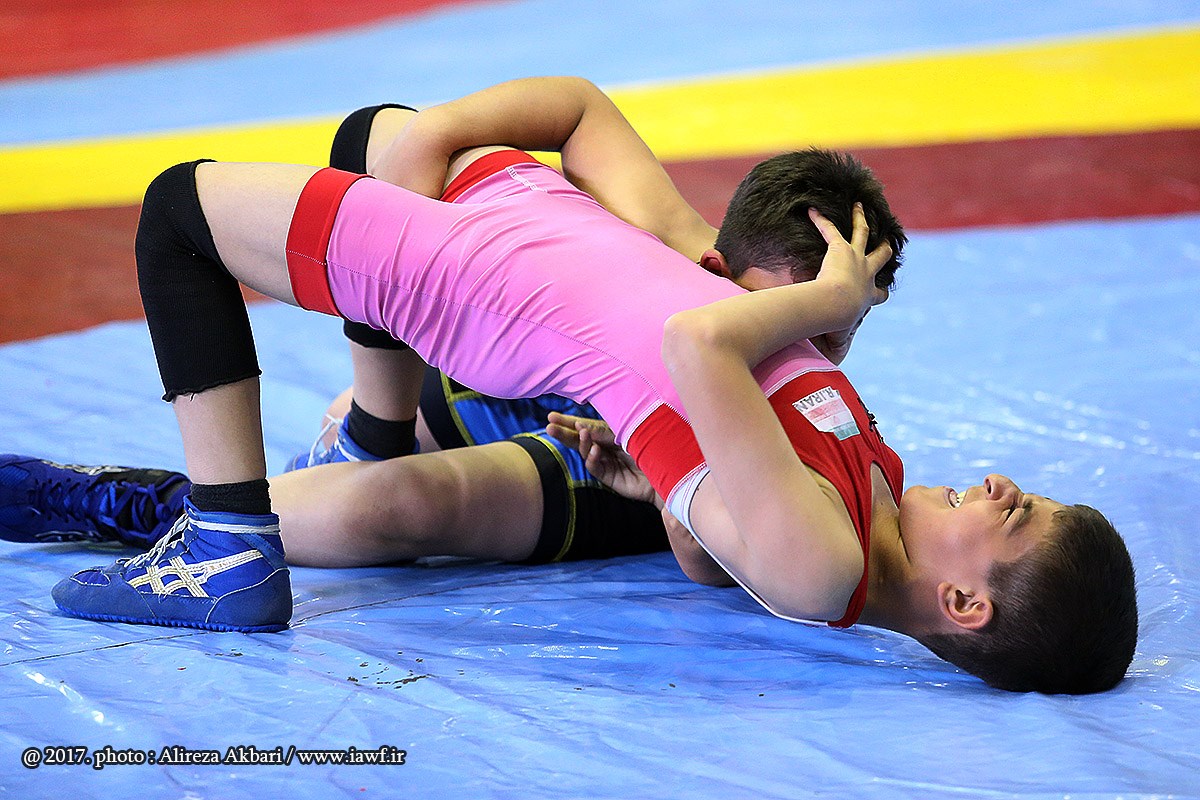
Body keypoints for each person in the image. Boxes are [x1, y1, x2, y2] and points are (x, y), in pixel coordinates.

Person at [44, 77, 1134, 694]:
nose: (1002, 483)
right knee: (373, 133)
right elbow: (716, 550)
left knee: (177, 213)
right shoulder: (874, 487)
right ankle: (371, 428)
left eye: (1017, 514)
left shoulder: (827, 570)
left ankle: (227, 543)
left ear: (965, 604)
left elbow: (698, 347)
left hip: (498, 294)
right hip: (549, 252)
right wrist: (666, 483)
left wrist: (827, 294)